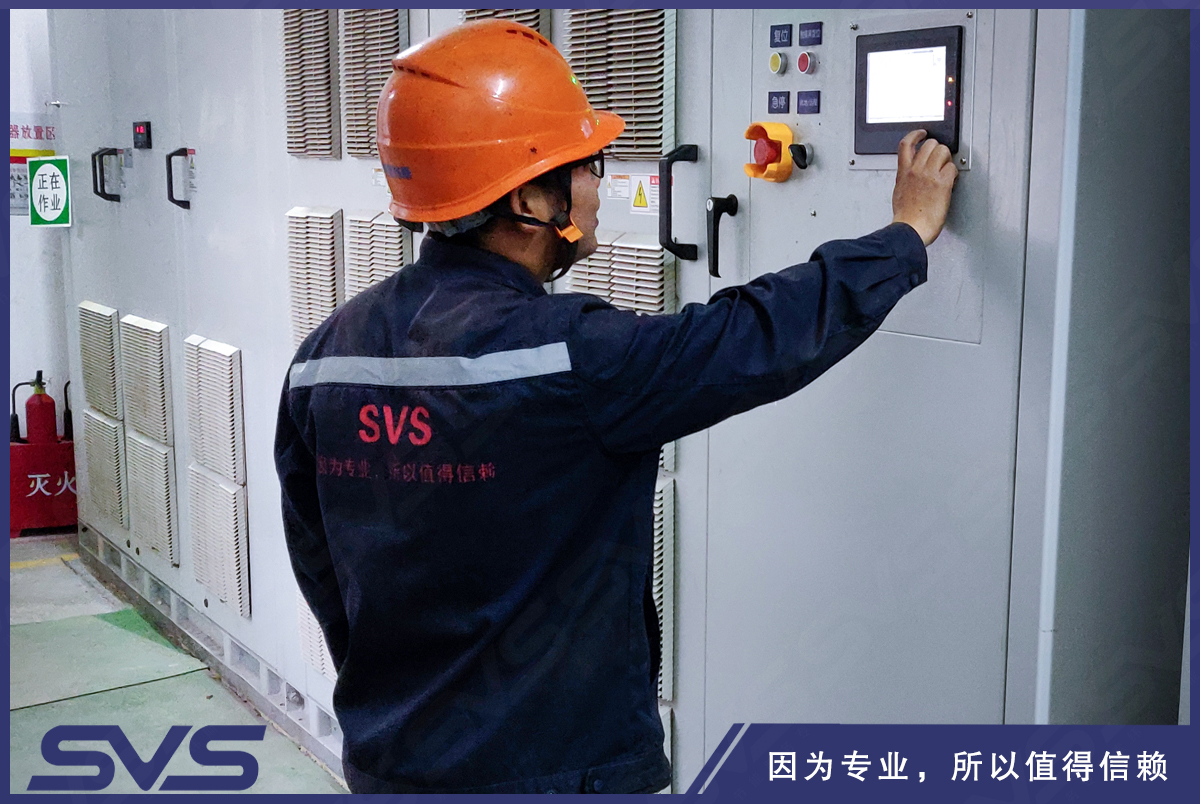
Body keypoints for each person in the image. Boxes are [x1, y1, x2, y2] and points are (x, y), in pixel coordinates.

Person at [274, 19, 957, 795]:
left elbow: (321, 568)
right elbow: (755, 335)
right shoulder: (574, 358)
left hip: (393, 767)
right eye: (588, 166)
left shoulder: (323, 358)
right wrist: (905, 235)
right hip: (557, 773)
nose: (600, 188)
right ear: (531, 198)